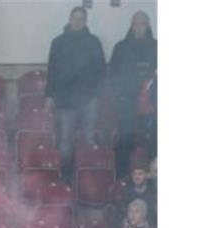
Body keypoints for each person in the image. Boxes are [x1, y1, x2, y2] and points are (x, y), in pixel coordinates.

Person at [45, 7, 106, 180]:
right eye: (75, 18)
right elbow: (52, 71)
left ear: (86, 21)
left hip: (88, 99)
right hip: (65, 100)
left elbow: (101, 70)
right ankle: (66, 178)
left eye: (81, 18)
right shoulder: (58, 42)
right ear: (69, 19)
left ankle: (88, 179)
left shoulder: (94, 42)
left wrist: (96, 93)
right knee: (65, 143)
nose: (77, 21)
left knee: (89, 139)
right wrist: (49, 96)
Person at [107, 12, 157, 176]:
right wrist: (118, 98)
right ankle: (123, 178)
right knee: (124, 138)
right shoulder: (120, 47)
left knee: (155, 139)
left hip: (151, 104)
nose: (139, 27)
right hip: (126, 102)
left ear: (148, 25)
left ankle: (154, 179)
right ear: (131, 25)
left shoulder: (157, 47)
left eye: (142, 23)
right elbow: (113, 75)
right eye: (136, 23)